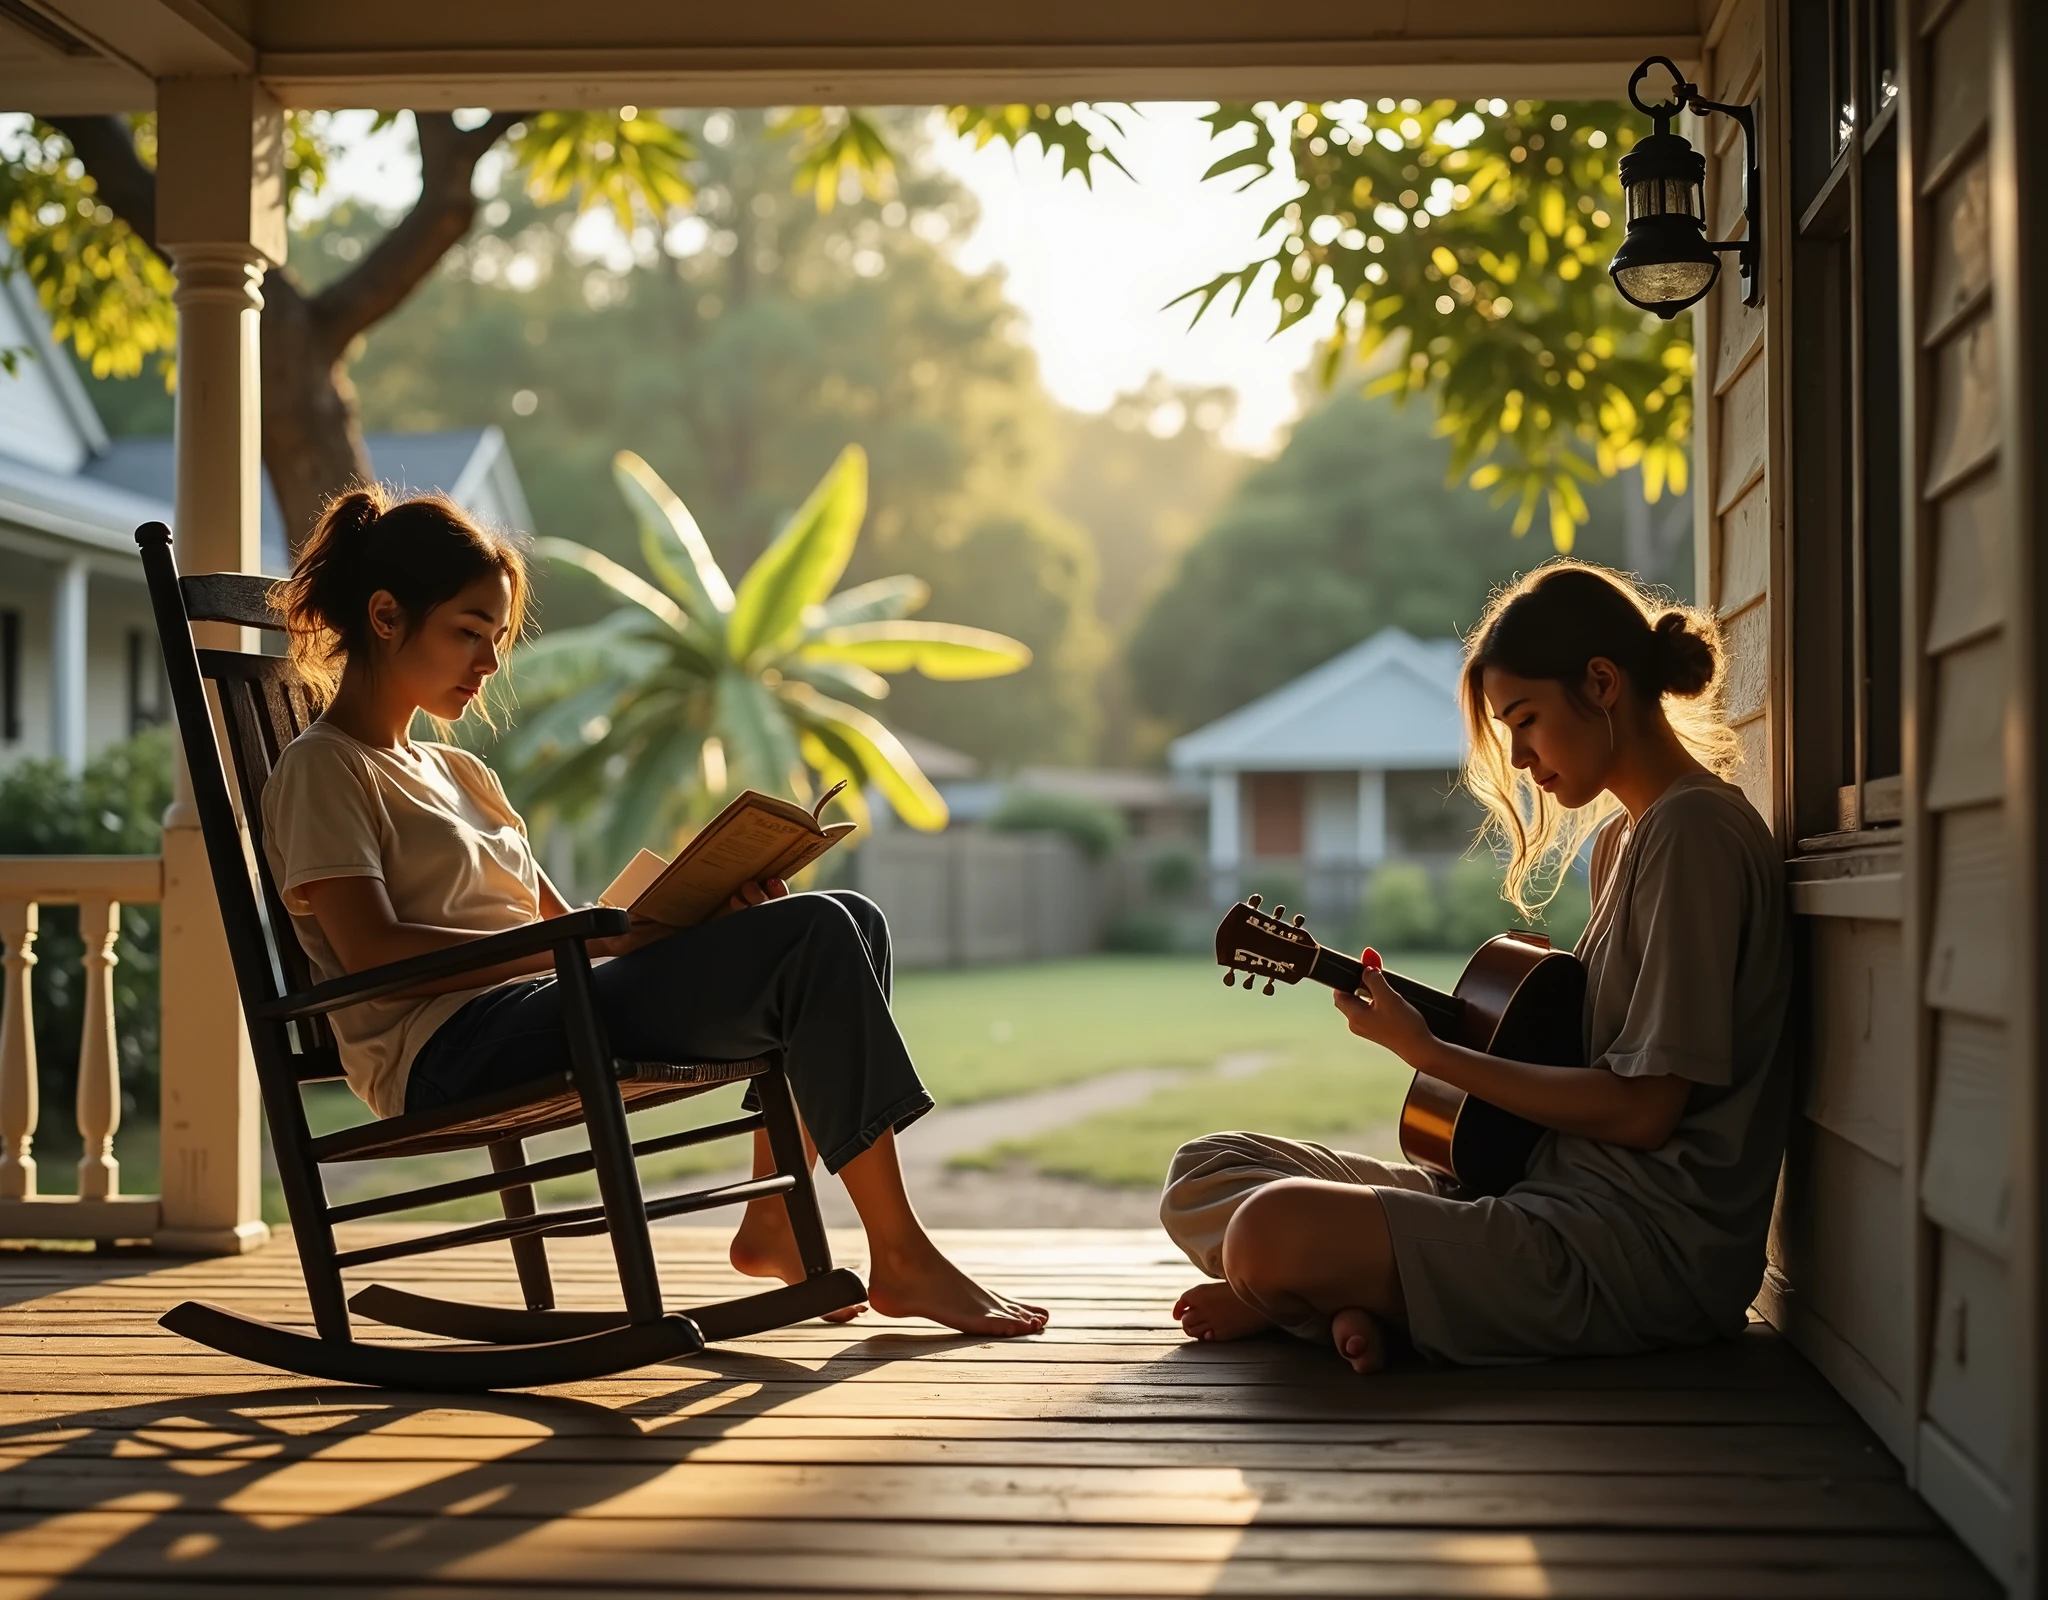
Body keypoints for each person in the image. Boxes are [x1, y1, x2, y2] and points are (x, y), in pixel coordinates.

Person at [259, 485, 1045, 1338]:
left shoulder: (463, 777)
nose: (487, 663)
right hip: (447, 1049)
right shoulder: (324, 769)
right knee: (817, 934)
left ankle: (774, 1225)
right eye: (466, 632)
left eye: (495, 639)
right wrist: (579, 944)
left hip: (540, 1004)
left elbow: (568, 922)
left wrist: (689, 918)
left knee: (850, 918)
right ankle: (900, 1253)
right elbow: (372, 952)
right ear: (384, 615)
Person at [1159, 560, 1790, 1373]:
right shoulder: (1623, 842)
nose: (1522, 757)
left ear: (1601, 683)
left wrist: (1430, 1053)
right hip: (1539, 1193)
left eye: (1525, 719)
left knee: (1265, 1231)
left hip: (1631, 1255)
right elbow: (1585, 1062)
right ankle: (1354, 1297)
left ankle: (1313, 1301)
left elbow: (1645, 1112)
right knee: (1206, 1169)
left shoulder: (1694, 835)